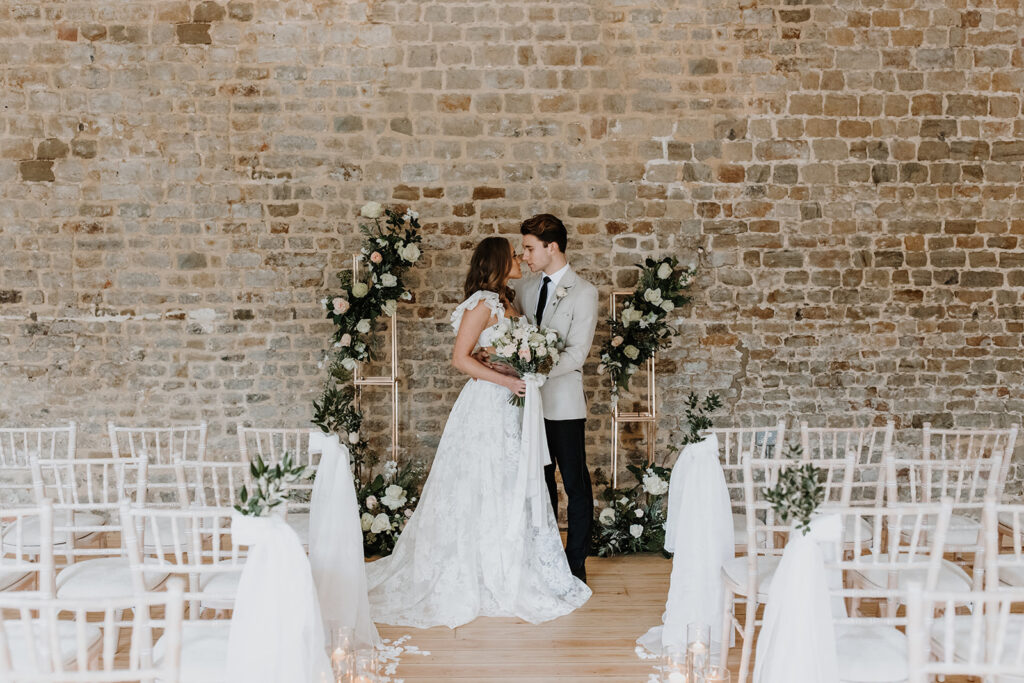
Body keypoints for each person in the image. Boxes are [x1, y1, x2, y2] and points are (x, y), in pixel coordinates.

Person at [365, 236, 591, 629]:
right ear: (500, 261)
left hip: (511, 406)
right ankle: (477, 569)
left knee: (506, 485)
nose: (522, 258)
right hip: (488, 404)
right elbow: (460, 359)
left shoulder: (508, 300)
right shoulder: (483, 303)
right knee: (482, 481)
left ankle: (508, 563)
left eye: (527, 251)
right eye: (515, 254)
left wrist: (511, 366)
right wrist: (506, 382)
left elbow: (498, 351)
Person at [511, 214, 600, 584]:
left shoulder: (584, 292)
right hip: (528, 405)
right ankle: (546, 559)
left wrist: (535, 373)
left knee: (575, 483)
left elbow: (577, 354)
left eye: (530, 249)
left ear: (553, 247)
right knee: (540, 481)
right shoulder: (525, 290)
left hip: (563, 404)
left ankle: (576, 563)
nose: (524, 256)